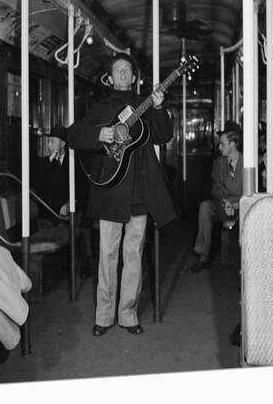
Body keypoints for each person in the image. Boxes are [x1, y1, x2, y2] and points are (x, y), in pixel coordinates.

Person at [67, 53, 176, 336]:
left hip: (140, 191)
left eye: (127, 70)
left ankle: (128, 314)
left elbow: (164, 135)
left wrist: (161, 108)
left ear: (134, 76)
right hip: (111, 190)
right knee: (108, 254)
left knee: (134, 255)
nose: (123, 74)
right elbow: (73, 135)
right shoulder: (100, 108)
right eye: (118, 70)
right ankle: (103, 316)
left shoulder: (147, 105)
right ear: (110, 77)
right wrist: (99, 134)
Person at [33, 125, 93, 278]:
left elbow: (82, 187)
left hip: (71, 207)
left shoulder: (74, 162)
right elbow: (39, 188)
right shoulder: (45, 163)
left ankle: (86, 264)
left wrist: (70, 203)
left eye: (52, 141)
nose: (49, 145)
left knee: (82, 222)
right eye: (48, 142)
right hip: (51, 210)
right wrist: (49, 163)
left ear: (62, 143)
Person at [185, 122, 243, 273]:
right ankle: (203, 256)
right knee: (205, 206)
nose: (219, 147)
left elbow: (250, 190)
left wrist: (236, 204)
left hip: (243, 205)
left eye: (222, 144)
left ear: (232, 144)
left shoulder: (247, 161)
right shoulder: (218, 163)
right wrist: (226, 202)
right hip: (225, 205)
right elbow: (215, 188)